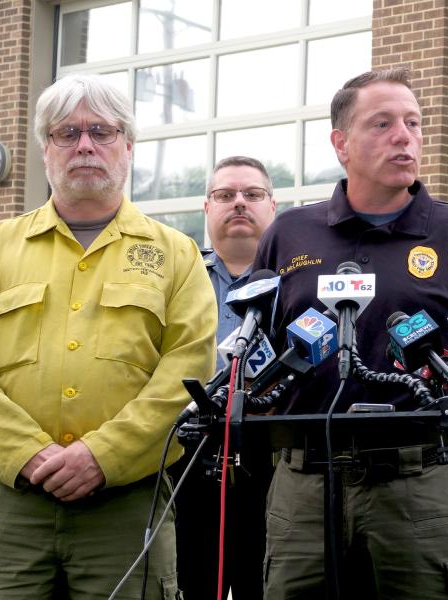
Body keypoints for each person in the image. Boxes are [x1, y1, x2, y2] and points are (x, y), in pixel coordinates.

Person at [252, 67, 448, 599]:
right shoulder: (289, 234)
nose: (404, 136)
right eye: (382, 124)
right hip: (305, 489)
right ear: (341, 143)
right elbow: (258, 361)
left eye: (413, 122)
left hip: (419, 489)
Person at [0, 74, 216, 598]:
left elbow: (187, 372)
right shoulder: (0, 247)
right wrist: (23, 451)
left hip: (128, 506)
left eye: (101, 130)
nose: (85, 145)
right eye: (66, 133)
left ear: (129, 145)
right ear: (45, 149)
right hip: (9, 507)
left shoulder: (175, 253)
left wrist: (104, 456)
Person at [172, 156, 277, 599]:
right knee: (193, 582)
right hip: (190, 458)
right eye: (225, 195)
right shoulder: (178, 279)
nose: (239, 203)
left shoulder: (296, 282)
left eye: (252, 195)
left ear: (272, 207)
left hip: (273, 462)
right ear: (206, 208)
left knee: (265, 584)